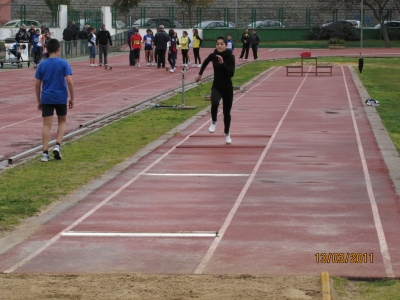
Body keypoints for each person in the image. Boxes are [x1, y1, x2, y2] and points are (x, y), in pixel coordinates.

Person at [35, 38, 74, 162]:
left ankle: (45, 153)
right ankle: (57, 144)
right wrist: (72, 97)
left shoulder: (42, 64)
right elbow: (69, 81)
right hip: (60, 97)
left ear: (46, 49)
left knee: (46, 125)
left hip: (46, 97)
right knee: (62, 121)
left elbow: (37, 84)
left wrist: (38, 100)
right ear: (58, 49)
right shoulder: (63, 63)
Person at [195, 36, 235, 144]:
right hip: (216, 86)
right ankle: (213, 121)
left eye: (222, 44)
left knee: (227, 113)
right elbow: (205, 62)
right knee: (215, 102)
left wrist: (222, 64)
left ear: (226, 45)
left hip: (227, 88)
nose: (219, 45)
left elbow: (231, 73)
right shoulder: (213, 55)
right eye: (217, 44)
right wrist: (200, 74)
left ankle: (227, 133)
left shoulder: (230, 57)